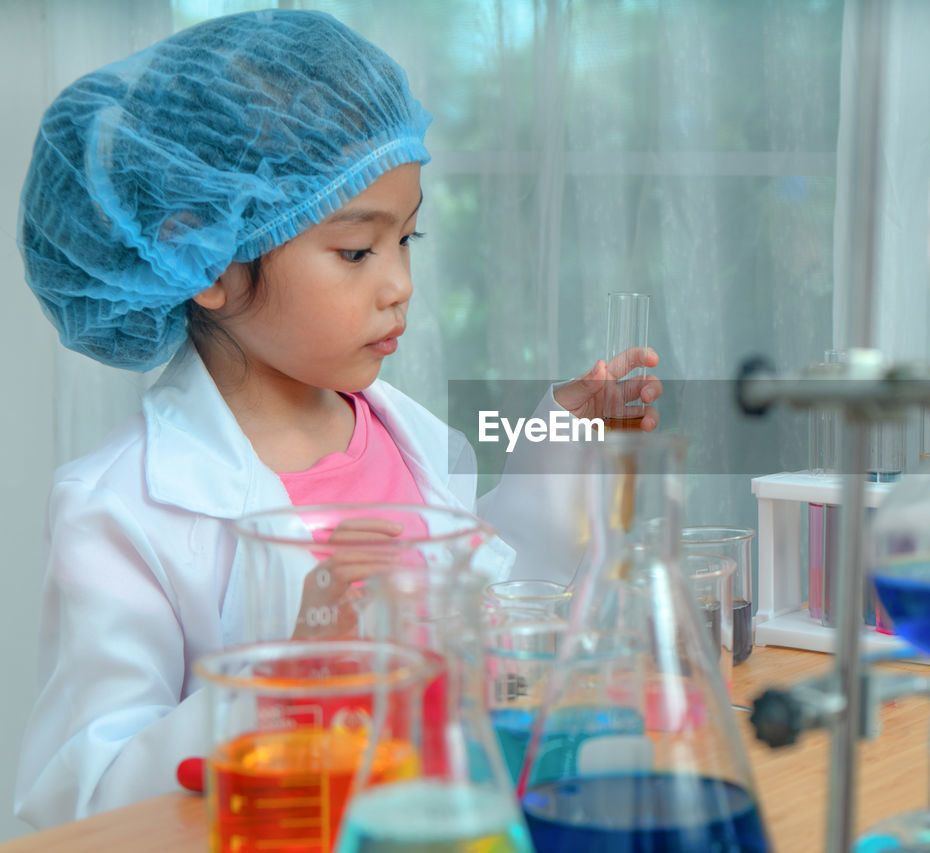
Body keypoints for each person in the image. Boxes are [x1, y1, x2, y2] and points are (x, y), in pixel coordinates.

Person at [13, 9, 660, 829]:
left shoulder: (406, 437)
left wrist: (562, 437)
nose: (400, 284)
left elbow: (487, 595)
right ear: (206, 256)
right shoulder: (119, 509)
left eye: (408, 238)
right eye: (357, 251)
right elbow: (83, 798)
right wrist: (292, 667)